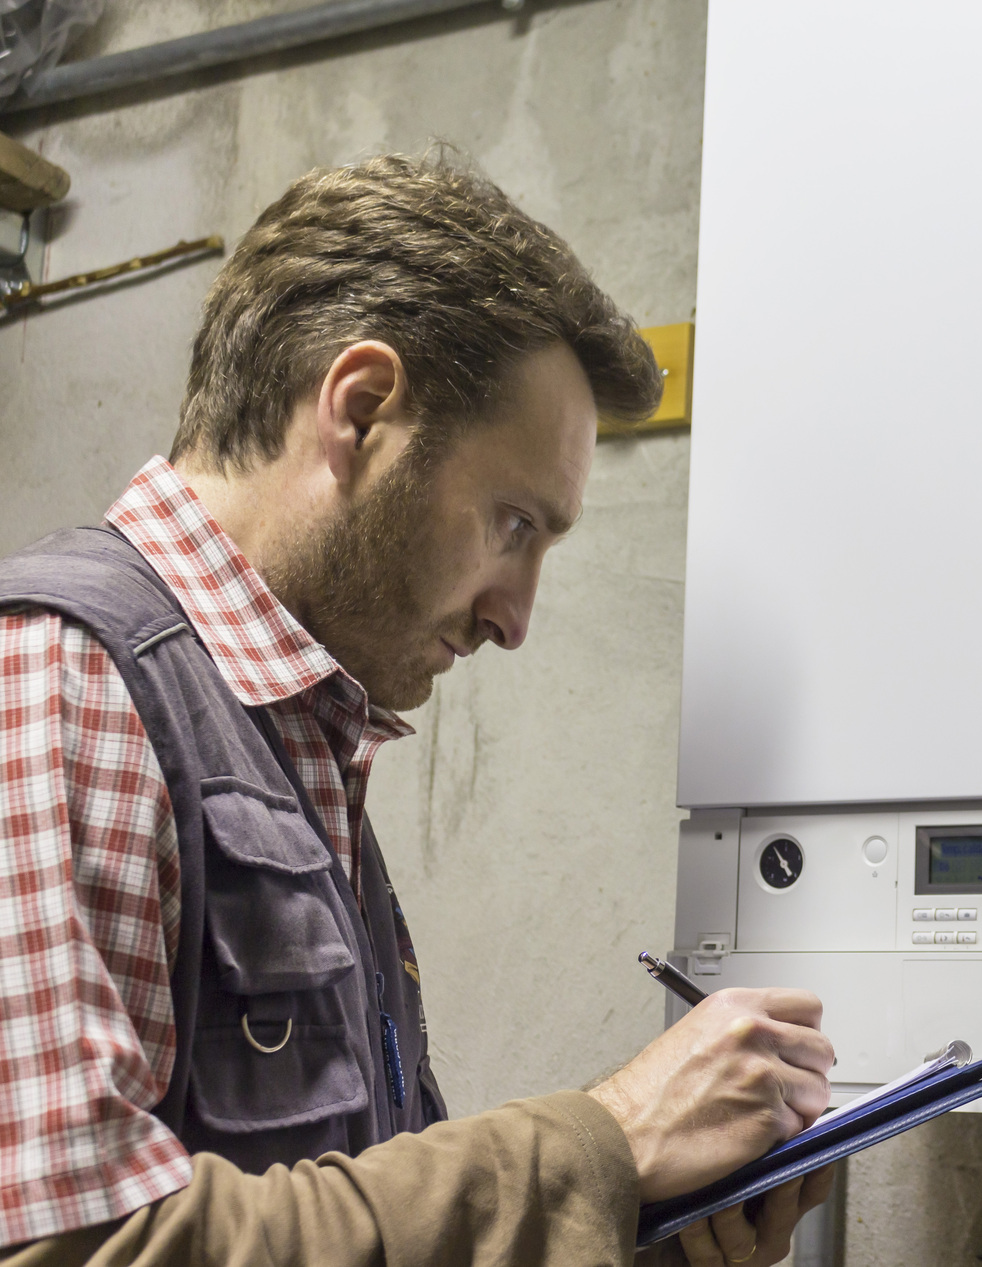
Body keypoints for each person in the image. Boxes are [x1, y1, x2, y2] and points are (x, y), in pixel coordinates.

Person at [0, 154, 833, 1267]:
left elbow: (353, 1212)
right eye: (513, 525)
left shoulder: (289, 742)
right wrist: (607, 1140)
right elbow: (74, 1248)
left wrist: (645, 1223)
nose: (514, 617)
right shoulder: (62, 675)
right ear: (360, 411)